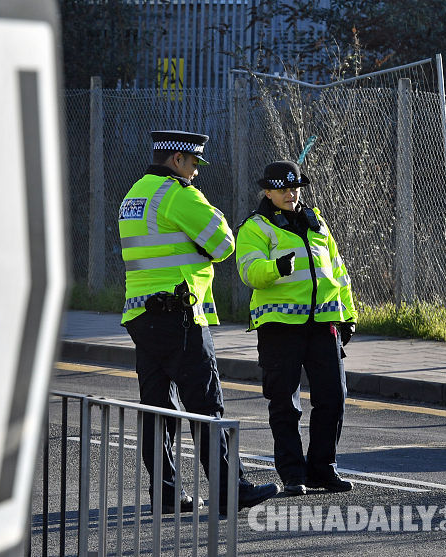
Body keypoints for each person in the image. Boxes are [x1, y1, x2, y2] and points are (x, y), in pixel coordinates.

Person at [118, 130, 279, 514]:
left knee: (159, 409)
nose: (195, 172)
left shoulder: (134, 195)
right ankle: (230, 489)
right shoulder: (177, 194)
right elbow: (224, 244)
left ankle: (167, 494)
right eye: (192, 164)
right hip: (180, 316)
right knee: (207, 406)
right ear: (176, 160)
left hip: (141, 316)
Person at [235, 160, 357, 496]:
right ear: (268, 192)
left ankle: (323, 469)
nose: (291, 194)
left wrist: (348, 314)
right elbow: (248, 271)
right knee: (285, 404)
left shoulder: (316, 222)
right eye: (283, 189)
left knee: (333, 398)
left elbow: (338, 272)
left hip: (323, 324)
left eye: (295, 188)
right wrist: (275, 267)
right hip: (279, 326)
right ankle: (292, 473)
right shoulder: (255, 228)